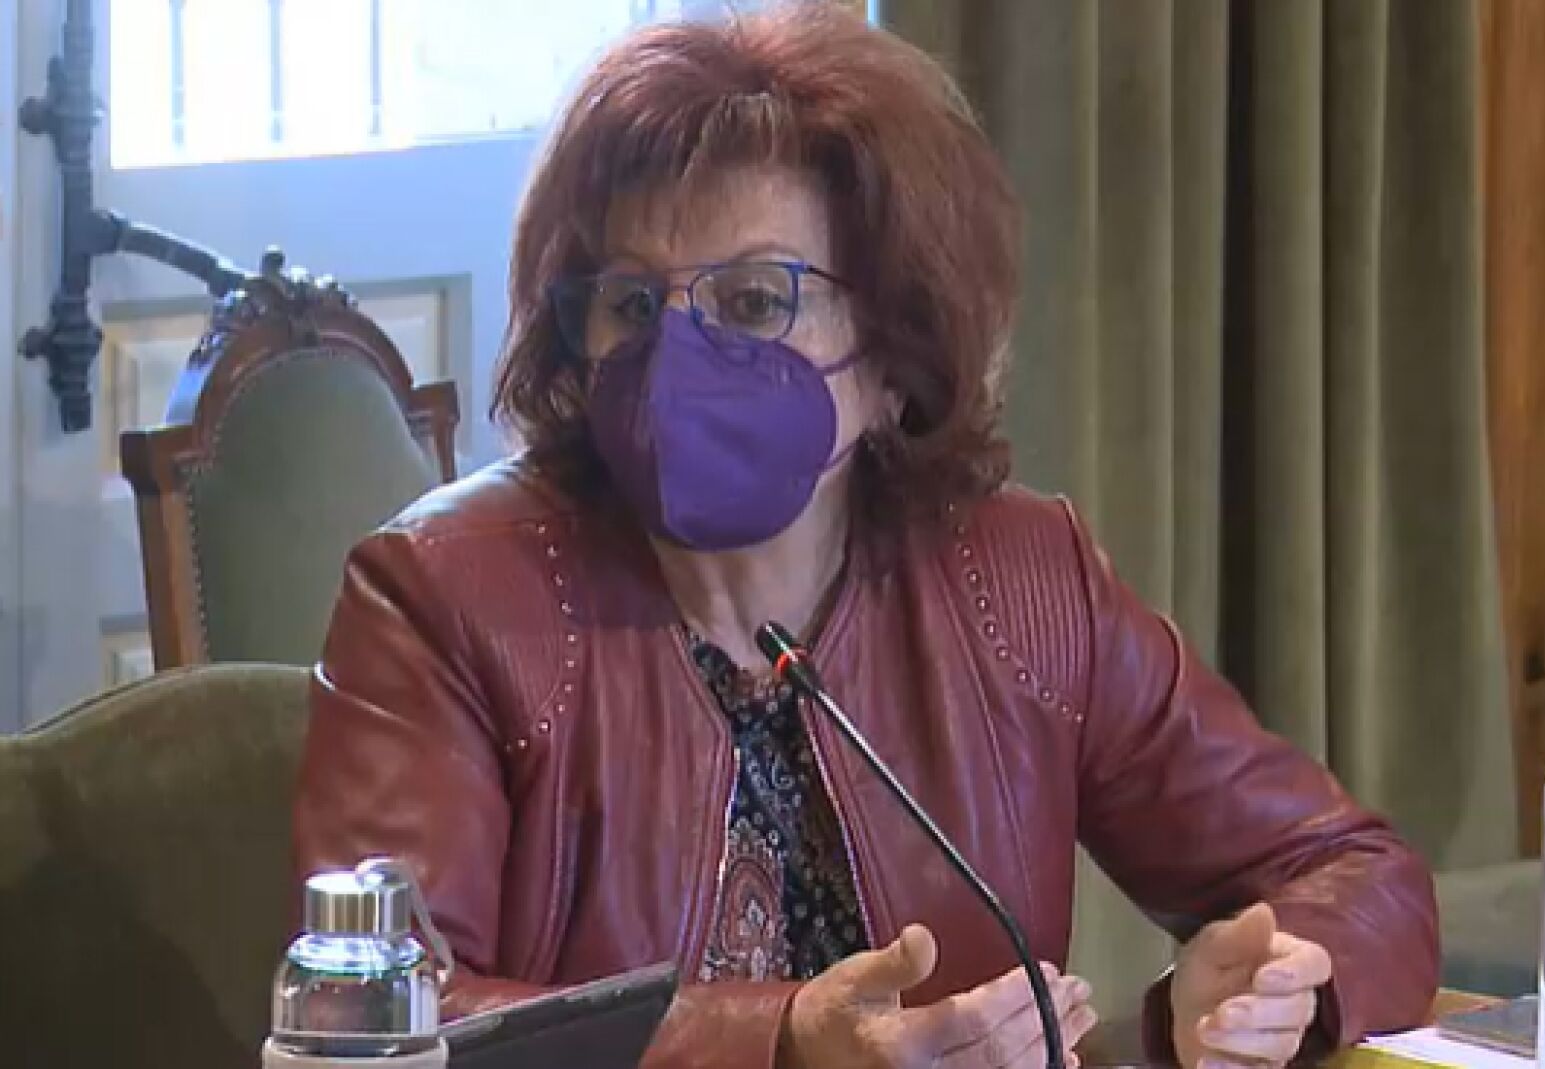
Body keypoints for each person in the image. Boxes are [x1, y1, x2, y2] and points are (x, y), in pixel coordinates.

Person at [292, 5, 1438, 1068]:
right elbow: (377, 1017)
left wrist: (1273, 981)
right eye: (632, 305)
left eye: (753, 301)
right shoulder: (448, 594)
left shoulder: (1017, 582)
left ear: (894, 352)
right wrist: (781, 1039)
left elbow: (1356, 873)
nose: (677, 356)